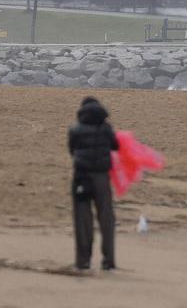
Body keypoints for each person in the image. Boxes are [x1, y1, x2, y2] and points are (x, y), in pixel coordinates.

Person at [68, 96, 119, 271]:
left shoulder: (75, 129)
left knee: (82, 219)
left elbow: (72, 150)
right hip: (102, 177)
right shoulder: (106, 129)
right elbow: (115, 147)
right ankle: (108, 260)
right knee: (106, 218)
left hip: (81, 177)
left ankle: (83, 261)